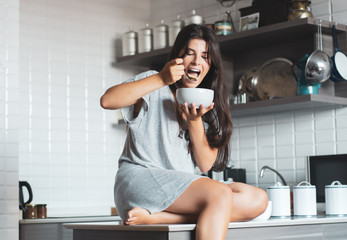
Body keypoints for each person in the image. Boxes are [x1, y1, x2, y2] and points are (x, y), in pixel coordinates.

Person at [100, 24, 268, 240]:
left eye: (205, 56)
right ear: (177, 57)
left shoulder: (207, 102)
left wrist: (195, 120)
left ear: (211, 65)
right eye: (190, 53)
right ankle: (161, 213)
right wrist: (161, 78)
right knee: (220, 194)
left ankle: (160, 217)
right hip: (139, 181)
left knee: (257, 199)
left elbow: (206, 164)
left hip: (182, 192)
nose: (197, 61)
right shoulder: (156, 83)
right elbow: (107, 100)